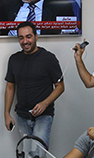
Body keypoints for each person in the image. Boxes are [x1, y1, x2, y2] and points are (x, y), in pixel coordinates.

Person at [4, 21, 65, 151]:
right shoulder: (14, 59)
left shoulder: (48, 58)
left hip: (43, 116)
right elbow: (10, 87)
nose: (25, 41)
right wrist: (6, 113)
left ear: (36, 37)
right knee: (27, 156)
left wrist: (44, 103)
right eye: (21, 37)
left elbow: (60, 87)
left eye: (28, 36)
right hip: (22, 116)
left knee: (38, 156)